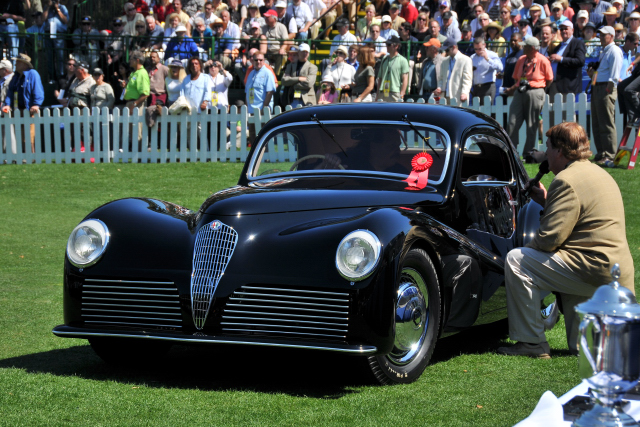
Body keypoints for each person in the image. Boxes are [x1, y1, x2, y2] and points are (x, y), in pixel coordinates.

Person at [496, 122, 634, 358]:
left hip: (592, 269)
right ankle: (586, 343)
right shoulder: (600, 173)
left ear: (560, 151)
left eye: (548, 147)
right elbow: (582, 218)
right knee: (581, 346)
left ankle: (532, 343)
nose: (546, 152)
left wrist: (526, 252)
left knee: (517, 261)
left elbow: (550, 239)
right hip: (616, 272)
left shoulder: (565, 180)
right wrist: (547, 201)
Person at [504, 37, 553, 156]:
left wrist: (539, 89)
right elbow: (516, 77)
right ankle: (511, 152)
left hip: (535, 92)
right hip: (520, 91)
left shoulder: (543, 60)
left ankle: (528, 152)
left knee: (532, 124)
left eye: (525, 46)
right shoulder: (521, 59)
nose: (522, 48)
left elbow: (549, 79)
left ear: (532, 48)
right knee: (512, 122)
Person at [589, 25, 622, 166]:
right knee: (597, 123)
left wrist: (609, 88)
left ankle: (609, 155)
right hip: (598, 86)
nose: (601, 37)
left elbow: (615, 73)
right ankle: (601, 153)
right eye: (600, 35)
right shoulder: (605, 51)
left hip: (606, 88)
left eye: (604, 35)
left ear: (611, 36)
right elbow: (603, 71)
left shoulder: (614, 50)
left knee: (606, 123)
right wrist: (593, 77)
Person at [2, 53, 43, 154]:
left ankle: (31, 158)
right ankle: (22, 157)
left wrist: (36, 104)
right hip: (17, 110)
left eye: (18, 62)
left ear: (25, 64)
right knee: (19, 135)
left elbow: (38, 91)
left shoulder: (33, 74)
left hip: (29, 110)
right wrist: (7, 104)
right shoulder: (16, 76)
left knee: (29, 136)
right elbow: (10, 92)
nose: (16, 63)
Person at [547, 20, 586, 99]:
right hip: (554, 85)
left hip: (567, 86)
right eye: (561, 29)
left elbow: (580, 61)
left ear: (572, 30)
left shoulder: (578, 43)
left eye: (566, 28)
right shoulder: (557, 47)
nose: (563, 31)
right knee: (552, 111)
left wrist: (561, 59)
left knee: (566, 111)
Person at [282, 43, 318, 107]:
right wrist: (299, 79)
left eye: (306, 52)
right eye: (303, 51)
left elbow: (309, 83)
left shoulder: (312, 67)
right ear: (298, 52)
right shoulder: (290, 66)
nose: (305, 54)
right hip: (292, 99)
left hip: (307, 100)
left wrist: (293, 84)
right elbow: (284, 80)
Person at [376, 36, 410, 102]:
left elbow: (405, 79)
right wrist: (377, 94)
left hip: (395, 93)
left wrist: (402, 94)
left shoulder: (403, 60)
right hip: (383, 92)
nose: (386, 46)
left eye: (389, 45)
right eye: (386, 44)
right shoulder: (384, 59)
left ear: (396, 46)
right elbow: (380, 78)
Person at [470, 36, 503, 105]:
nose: (478, 51)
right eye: (476, 49)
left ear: (484, 45)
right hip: (476, 88)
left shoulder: (492, 55)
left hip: (488, 86)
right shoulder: (472, 57)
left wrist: (487, 59)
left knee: (487, 111)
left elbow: (500, 67)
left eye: (480, 49)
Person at [42, 0, 69, 82]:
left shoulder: (63, 7)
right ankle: (51, 77)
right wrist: (48, 7)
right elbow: (43, 19)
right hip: (48, 34)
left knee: (59, 56)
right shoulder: (47, 8)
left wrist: (58, 9)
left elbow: (65, 20)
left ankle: (60, 76)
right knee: (50, 56)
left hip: (59, 34)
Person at [262, 9, 289, 74]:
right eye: (265, 17)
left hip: (277, 51)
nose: (266, 18)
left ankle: (276, 75)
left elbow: (286, 41)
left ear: (274, 19)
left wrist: (282, 49)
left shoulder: (281, 27)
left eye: (268, 17)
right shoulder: (263, 27)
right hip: (267, 52)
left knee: (282, 55)